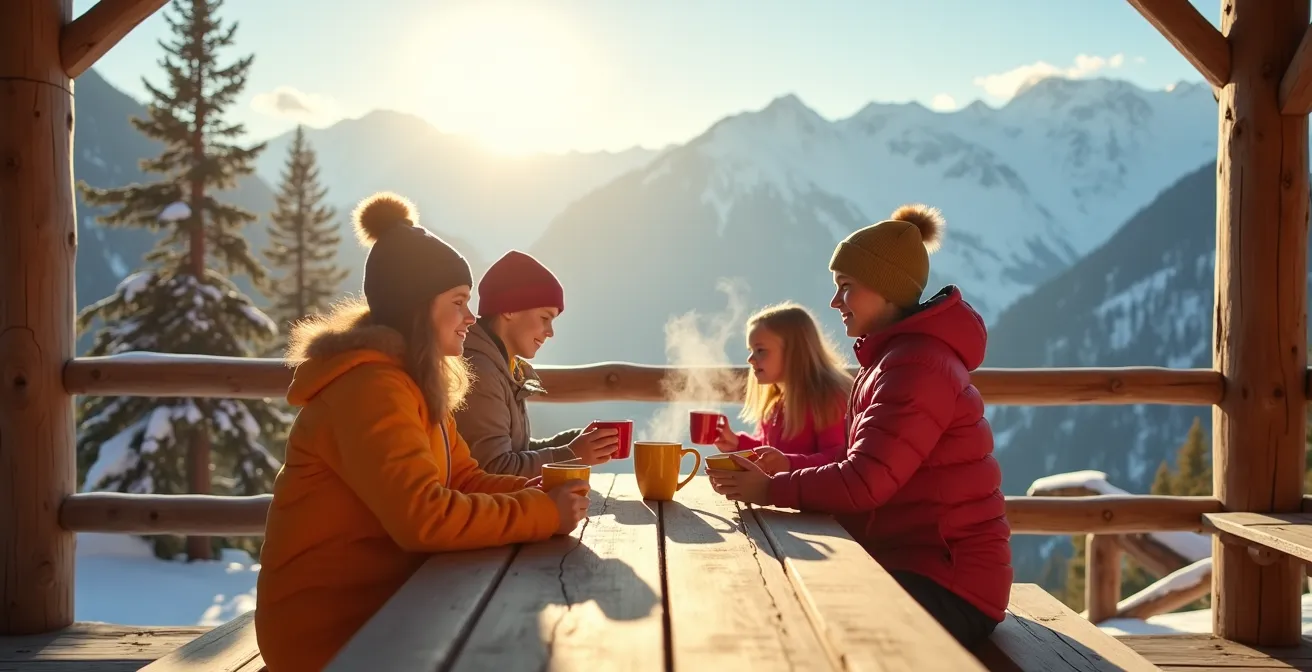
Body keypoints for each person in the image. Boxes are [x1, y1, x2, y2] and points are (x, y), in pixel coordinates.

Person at [254, 192, 590, 672]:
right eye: (458, 302)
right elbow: (423, 518)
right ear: (417, 308)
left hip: (391, 603)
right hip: (330, 631)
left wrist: (536, 489)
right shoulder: (371, 388)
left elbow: (465, 479)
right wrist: (539, 511)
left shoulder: (414, 382)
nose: (471, 318)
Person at [706, 204, 1012, 650]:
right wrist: (785, 465)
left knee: (806, 629)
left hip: (950, 583)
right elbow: (867, 462)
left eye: (845, 288)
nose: (835, 302)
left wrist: (772, 490)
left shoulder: (917, 366)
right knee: (784, 604)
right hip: (916, 563)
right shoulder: (895, 359)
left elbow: (865, 481)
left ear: (886, 291)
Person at [455, 250, 619, 476]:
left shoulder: (505, 367)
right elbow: (494, 470)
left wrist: (573, 443)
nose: (550, 332)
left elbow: (515, 451)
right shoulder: (479, 372)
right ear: (509, 308)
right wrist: (571, 454)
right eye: (545, 318)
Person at [711, 302, 851, 475]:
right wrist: (736, 443)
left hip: (814, 500)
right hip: (782, 496)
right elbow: (770, 452)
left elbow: (838, 460)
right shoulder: (776, 399)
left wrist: (789, 464)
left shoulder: (827, 398)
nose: (750, 359)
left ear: (795, 351)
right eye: (751, 350)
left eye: (760, 350)